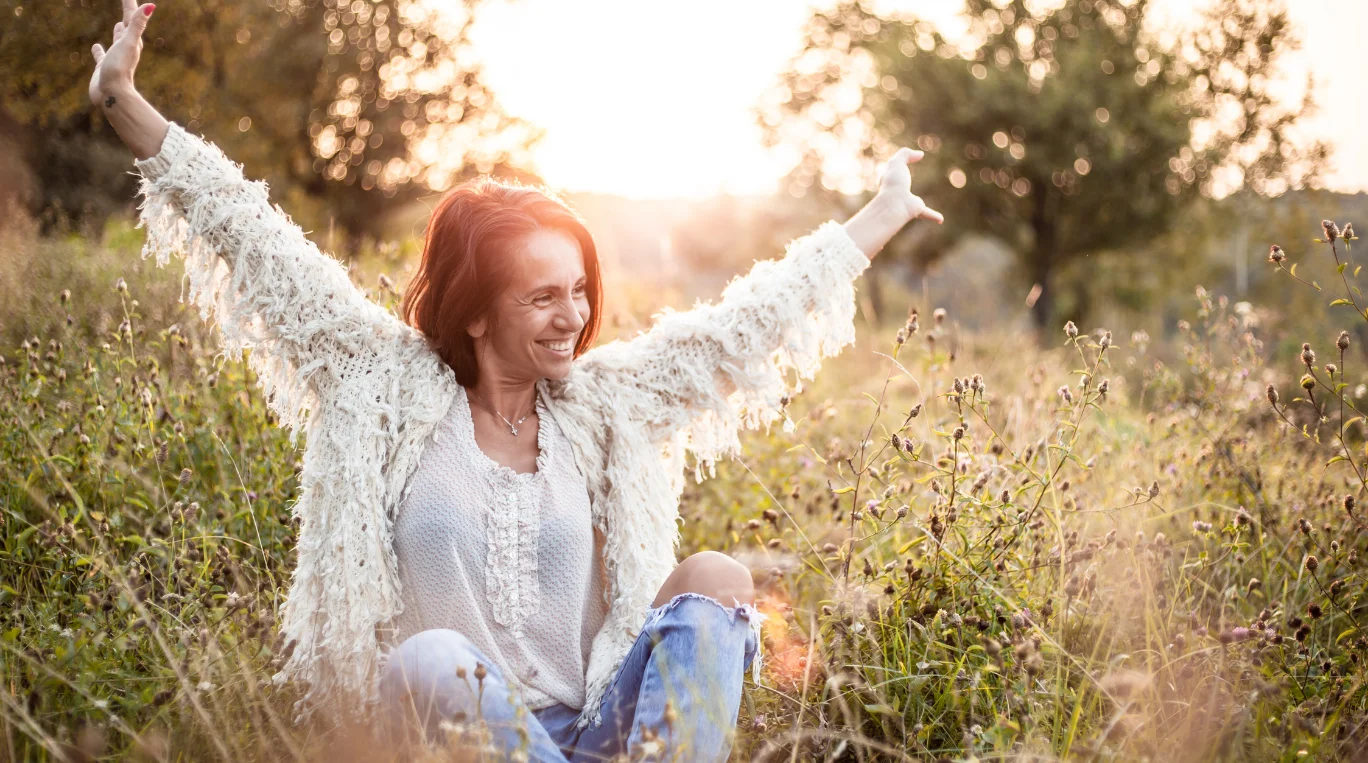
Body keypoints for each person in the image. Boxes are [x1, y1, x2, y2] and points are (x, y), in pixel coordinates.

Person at [88, 1, 944, 760]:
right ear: (474, 311)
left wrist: (879, 213)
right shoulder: (382, 380)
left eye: (578, 290)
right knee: (427, 657)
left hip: (599, 733)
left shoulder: (599, 404)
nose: (572, 314)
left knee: (717, 576)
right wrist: (124, 101)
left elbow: (741, 328)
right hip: (451, 731)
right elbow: (255, 237)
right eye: (541, 296)